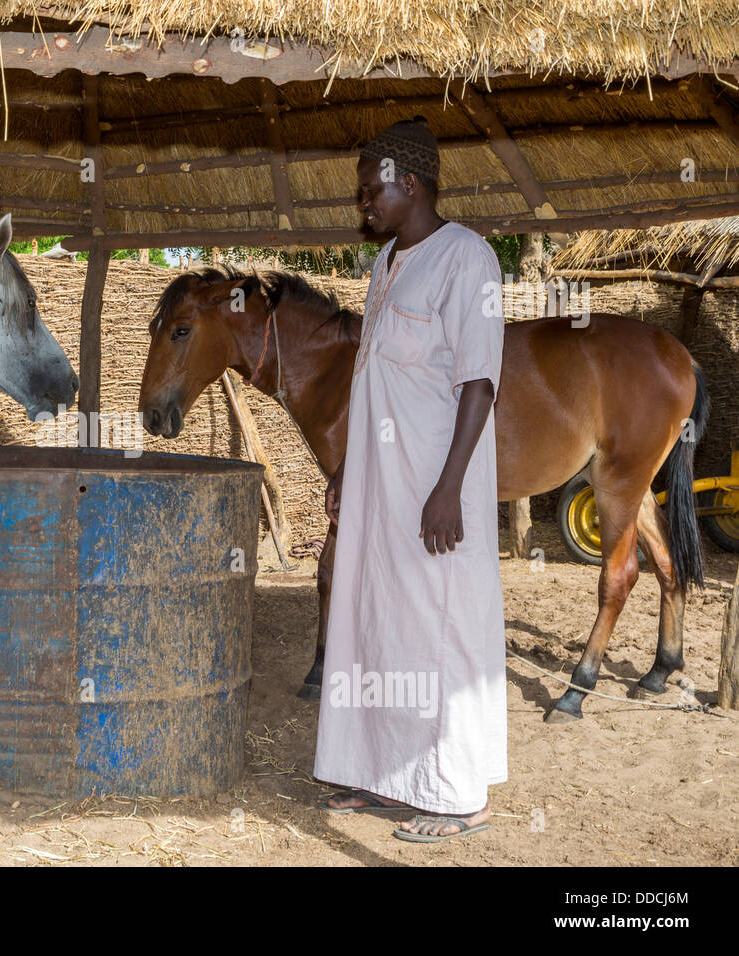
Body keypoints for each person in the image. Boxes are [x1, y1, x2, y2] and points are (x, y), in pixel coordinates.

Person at [313, 117, 507, 842]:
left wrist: (449, 486)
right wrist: (344, 469)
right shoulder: (387, 262)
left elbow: (480, 381)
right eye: (363, 192)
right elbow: (372, 381)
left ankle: (458, 795)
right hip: (378, 485)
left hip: (432, 485)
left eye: (372, 191)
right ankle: (389, 778)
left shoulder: (469, 259)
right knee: (379, 622)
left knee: (438, 628)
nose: (363, 202)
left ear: (412, 184)